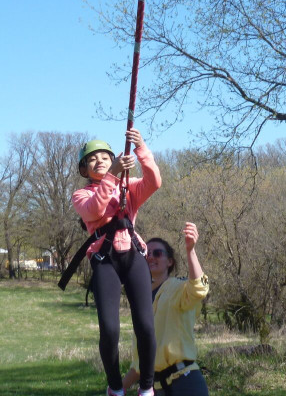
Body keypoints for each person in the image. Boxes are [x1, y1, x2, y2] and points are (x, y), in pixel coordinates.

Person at [72, 128, 161, 396]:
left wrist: (141, 148)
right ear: (85, 170)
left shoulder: (129, 186)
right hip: (105, 260)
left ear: (114, 159)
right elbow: (94, 210)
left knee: (145, 325)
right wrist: (112, 175)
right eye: (92, 159)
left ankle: (146, 387)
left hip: (133, 255)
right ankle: (114, 387)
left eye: (104, 157)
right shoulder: (81, 195)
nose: (99, 161)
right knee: (110, 330)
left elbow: (154, 181)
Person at [122, 222, 210, 396]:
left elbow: (199, 288)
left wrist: (190, 250)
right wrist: (118, 388)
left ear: (169, 261)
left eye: (157, 253)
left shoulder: (177, 288)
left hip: (186, 382)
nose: (151, 257)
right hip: (154, 388)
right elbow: (140, 363)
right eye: (146, 253)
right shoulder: (141, 300)